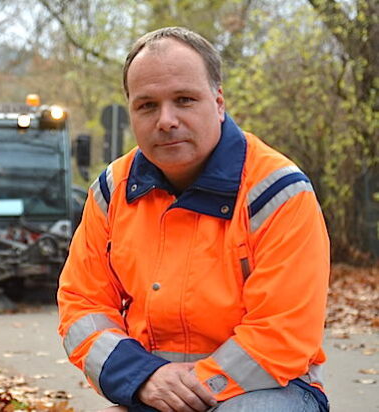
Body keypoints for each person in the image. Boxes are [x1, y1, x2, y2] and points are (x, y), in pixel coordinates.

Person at [57, 27, 330, 412]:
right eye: (147, 105)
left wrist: (186, 392)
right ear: (131, 111)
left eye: (184, 100)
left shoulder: (276, 193)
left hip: (272, 390)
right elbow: (82, 305)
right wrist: (143, 379)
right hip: (151, 387)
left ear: (218, 103)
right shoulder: (111, 190)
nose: (166, 120)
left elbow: (283, 334)